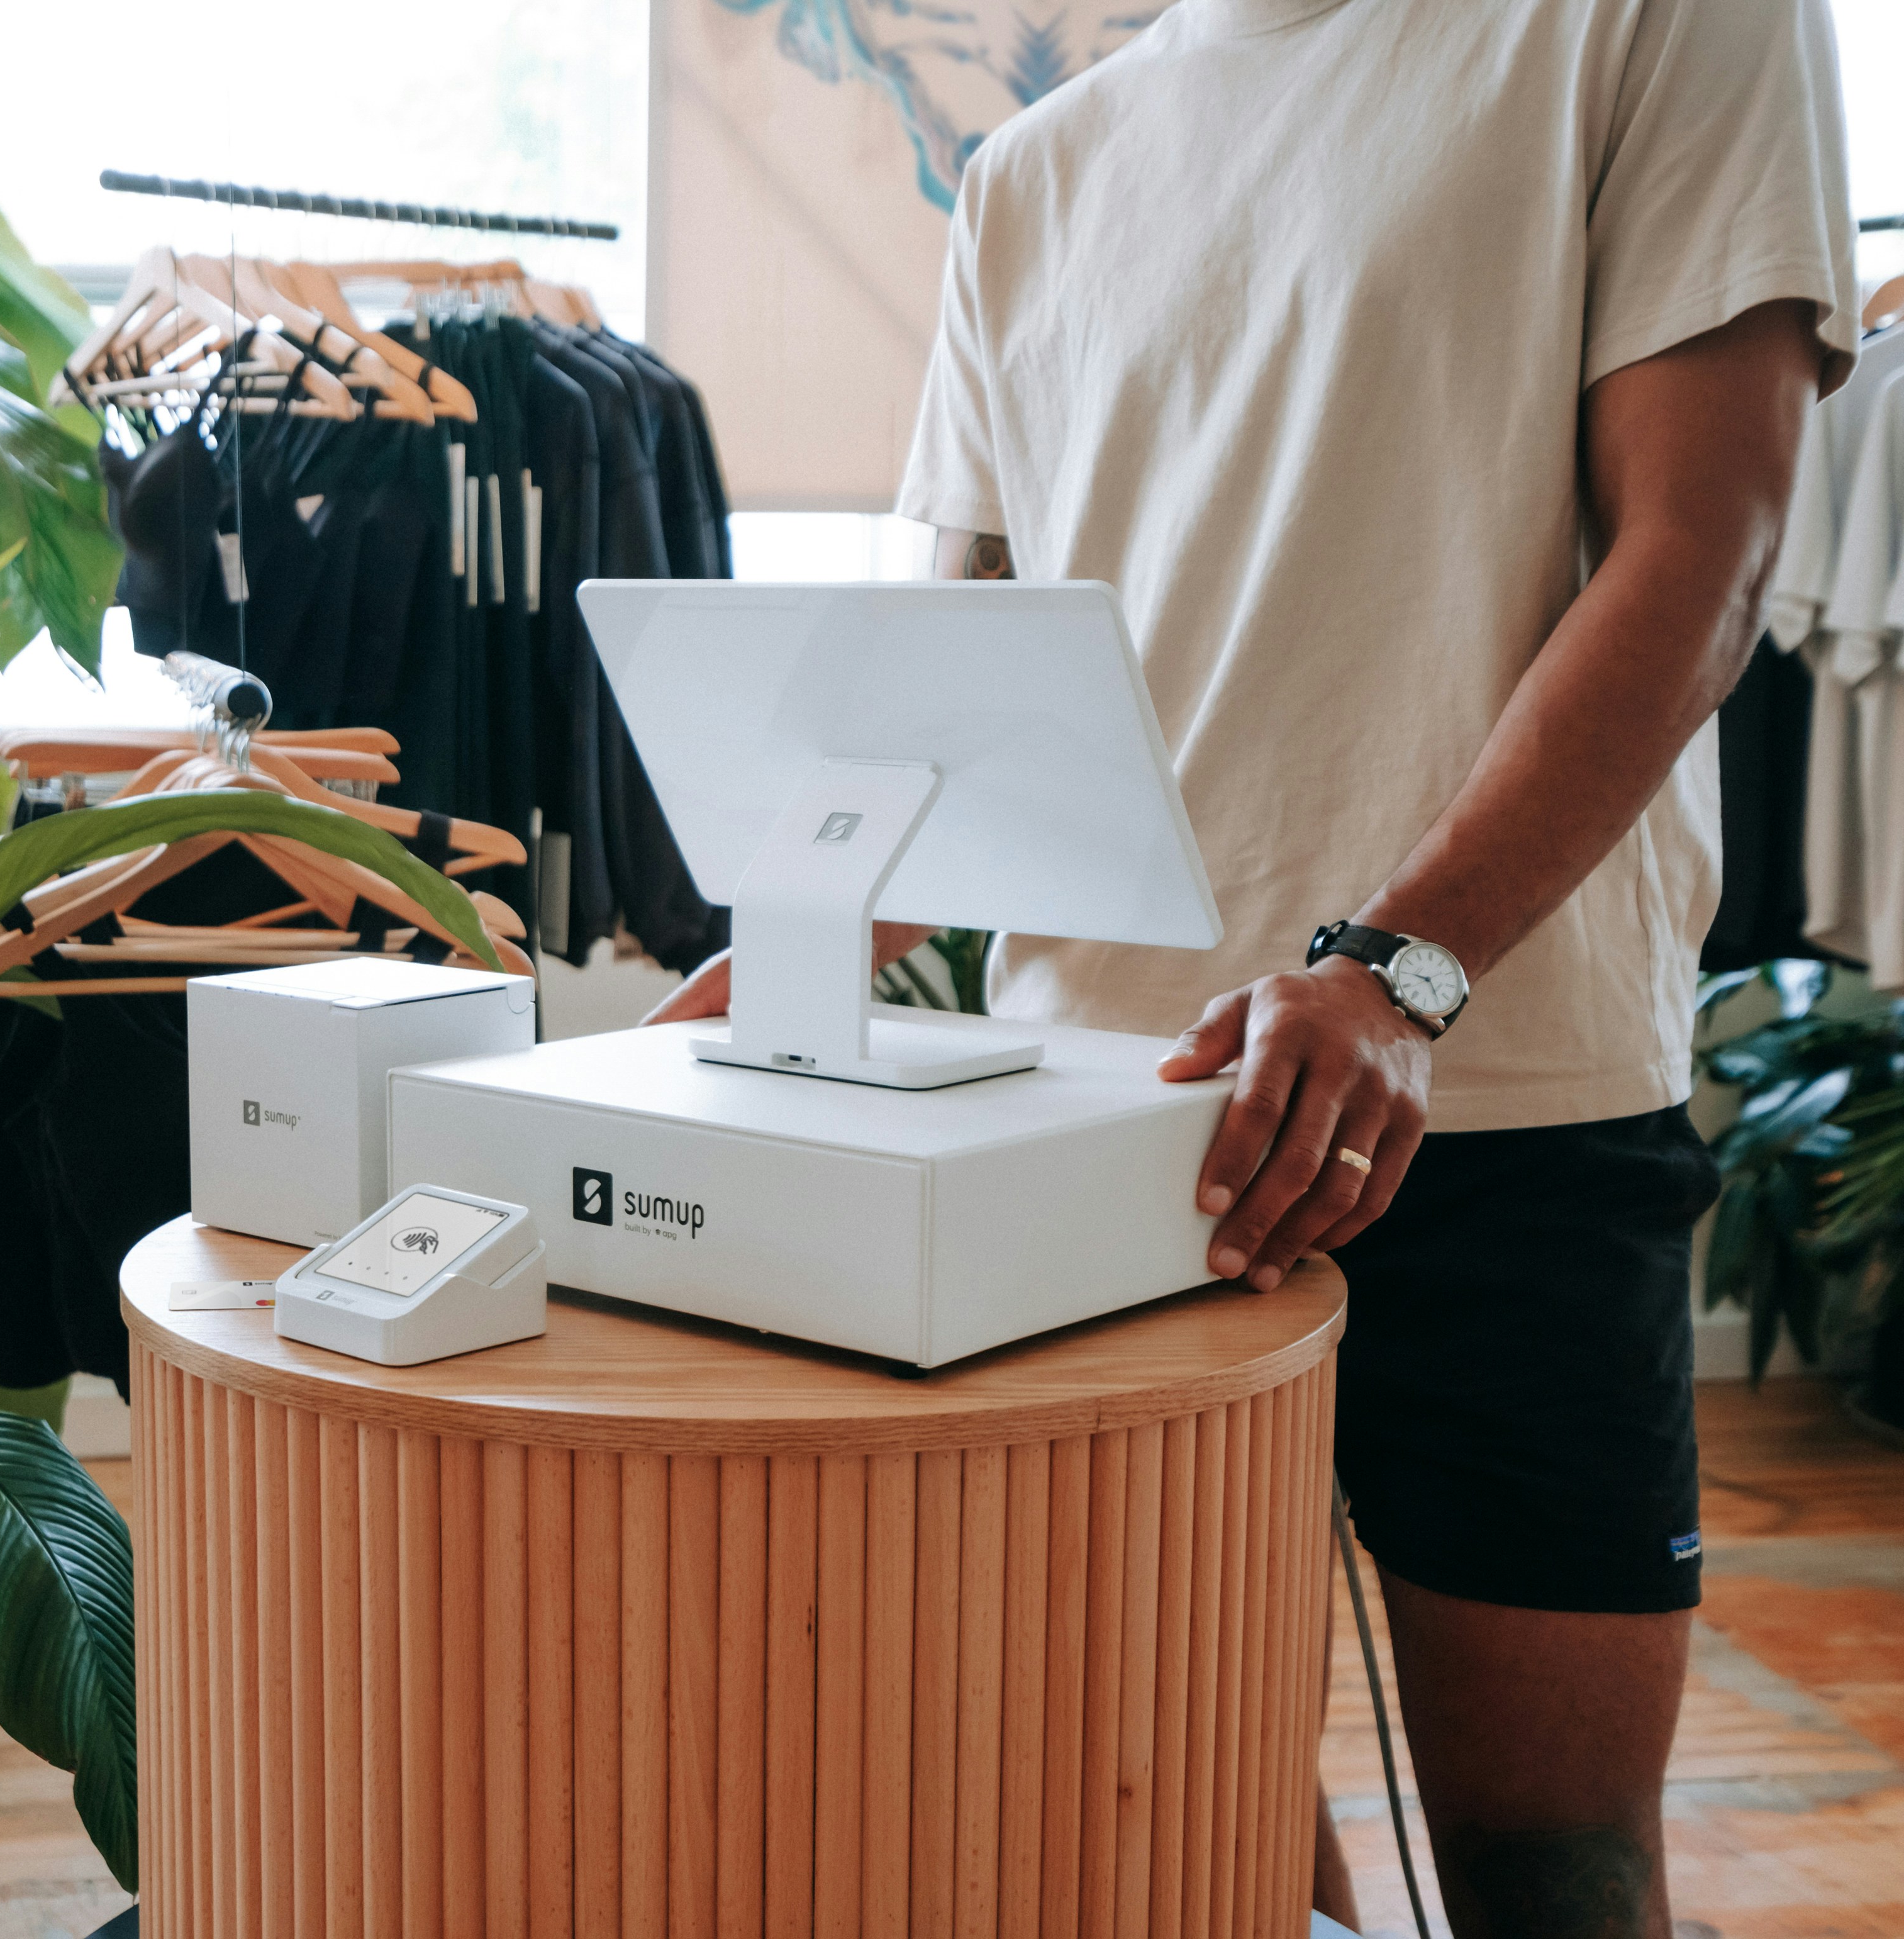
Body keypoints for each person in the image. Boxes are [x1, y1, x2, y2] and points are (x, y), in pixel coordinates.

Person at [652, 2, 1856, 1932]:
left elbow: (1704, 549)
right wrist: (777, 960)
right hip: (1095, 1151)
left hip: (1505, 1109)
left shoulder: (1648, 23)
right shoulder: (1036, 170)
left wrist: (1401, 968)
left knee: (1559, 1876)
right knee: (1173, 1837)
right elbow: (939, 664)